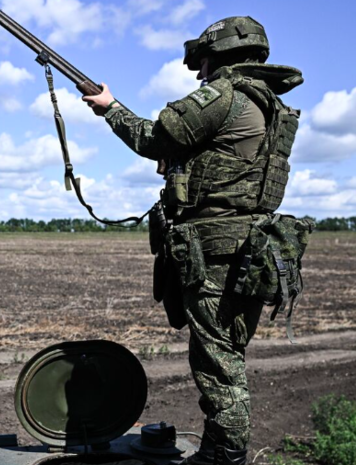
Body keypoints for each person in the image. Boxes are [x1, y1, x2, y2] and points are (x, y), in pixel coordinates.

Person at [83, 16, 312, 465]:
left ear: (216, 57)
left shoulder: (225, 94)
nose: (200, 74)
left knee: (218, 360)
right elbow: (220, 163)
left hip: (217, 250)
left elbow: (154, 136)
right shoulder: (267, 105)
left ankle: (223, 455)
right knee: (225, 351)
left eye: (202, 64)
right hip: (245, 244)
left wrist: (110, 107)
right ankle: (220, 449)